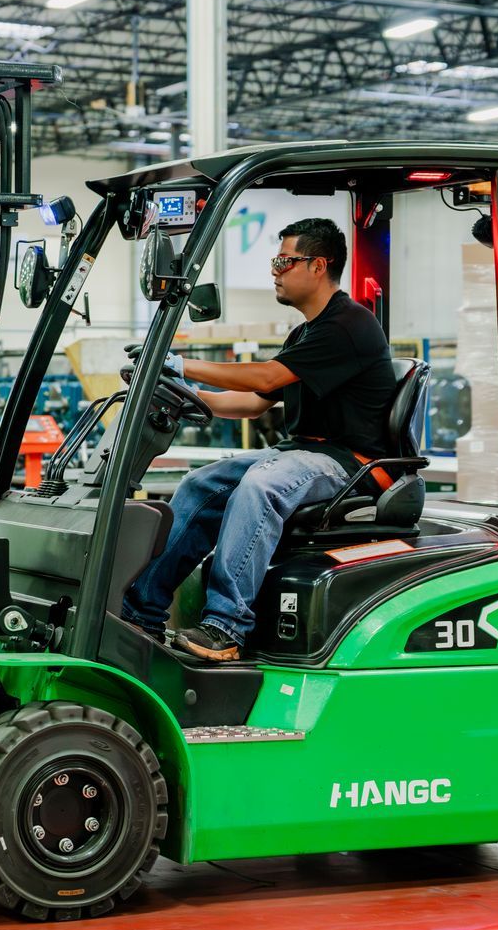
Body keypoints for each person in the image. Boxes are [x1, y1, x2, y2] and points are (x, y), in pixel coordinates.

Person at [121, 217, 399, 663]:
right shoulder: (307, 331)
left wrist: (182, 364)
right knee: (201, 483)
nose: (275, 270)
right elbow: (254, 402)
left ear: (317, 265)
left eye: (283, 261)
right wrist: (178, 390)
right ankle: (141, 612)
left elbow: (267, 375)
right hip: (307, 454)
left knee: (262, 486)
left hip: (353, 463)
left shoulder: (348, 324)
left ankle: (226, 627)